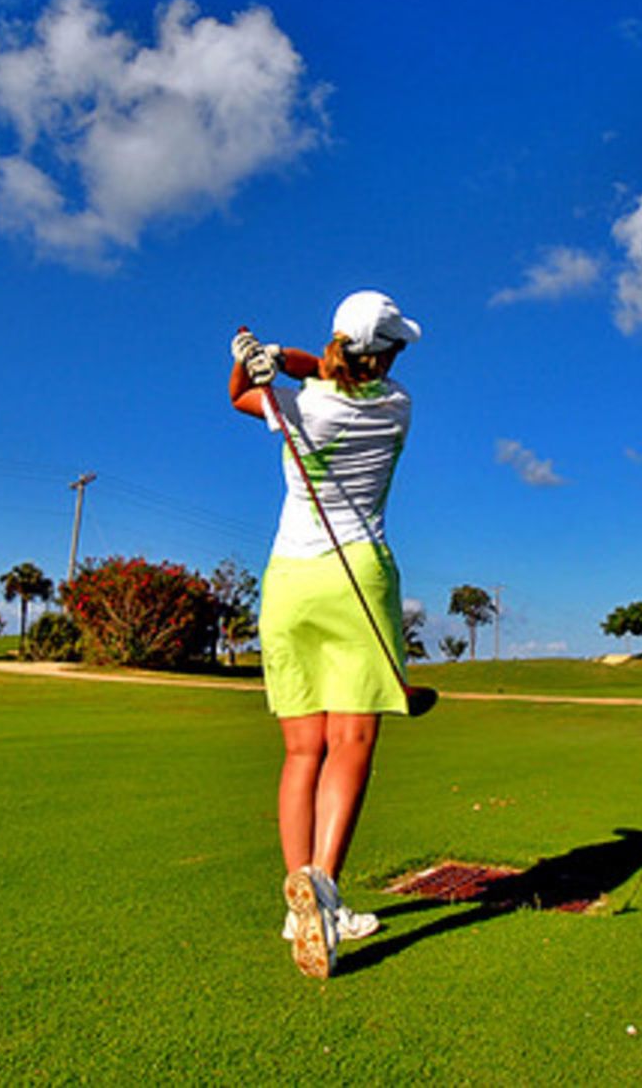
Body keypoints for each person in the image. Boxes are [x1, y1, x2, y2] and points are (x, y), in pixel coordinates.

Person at [228, 289, 420, 980]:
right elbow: (334, 373)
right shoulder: (395, 406)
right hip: (357, 578)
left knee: (301, 748)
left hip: (288, 583)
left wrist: (253, 361)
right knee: (352, 741)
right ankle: (327, 893)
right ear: (387, 352)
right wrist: (282, 360)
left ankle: (295, 898)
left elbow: (243, 398)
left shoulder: (299, 405)